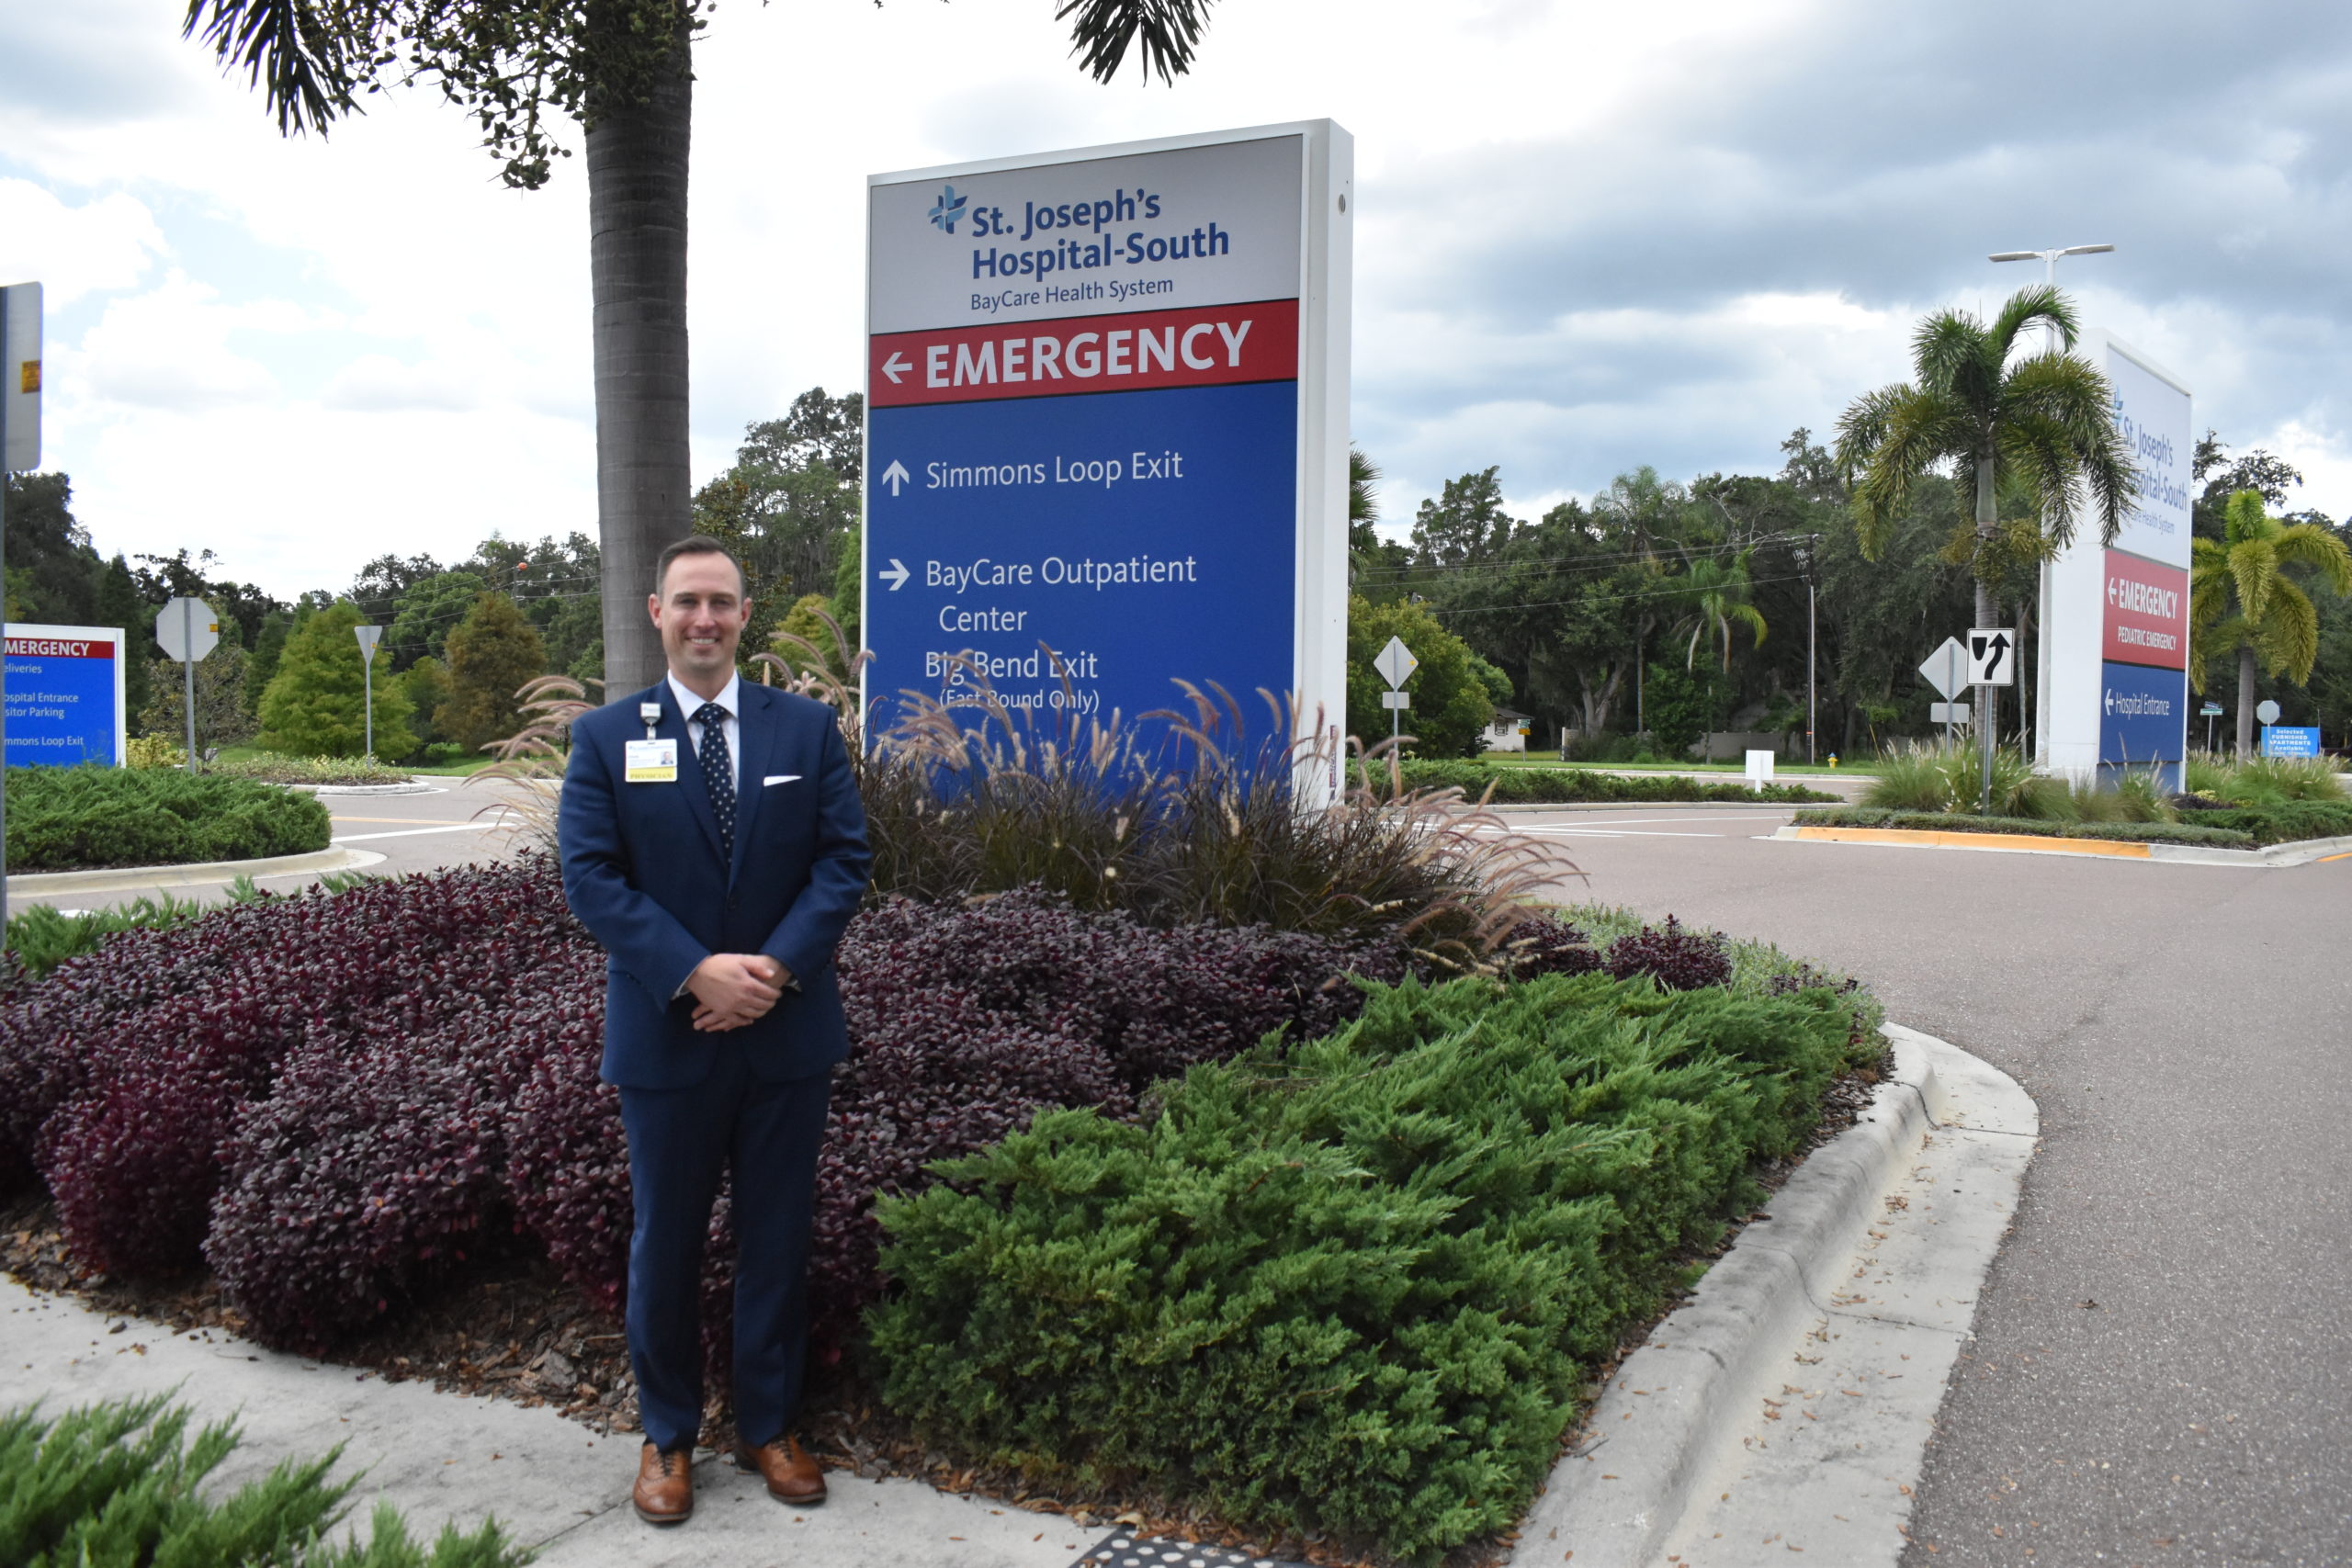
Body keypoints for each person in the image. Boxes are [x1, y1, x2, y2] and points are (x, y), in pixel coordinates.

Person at [558, 535, 870, 1526]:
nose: (704, 619)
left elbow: (842, 861)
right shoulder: (607, 739)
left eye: (721, 603)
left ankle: (769, 1426)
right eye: (687, 601)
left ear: (743, 615)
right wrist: (694, 971)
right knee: (668, 1243)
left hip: (785, 1033)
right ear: (656, 612)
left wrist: (771, 970)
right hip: (668, 1035)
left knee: (776, 1238)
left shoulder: (806, 730)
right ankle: (667, 1435)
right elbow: (591, 877)